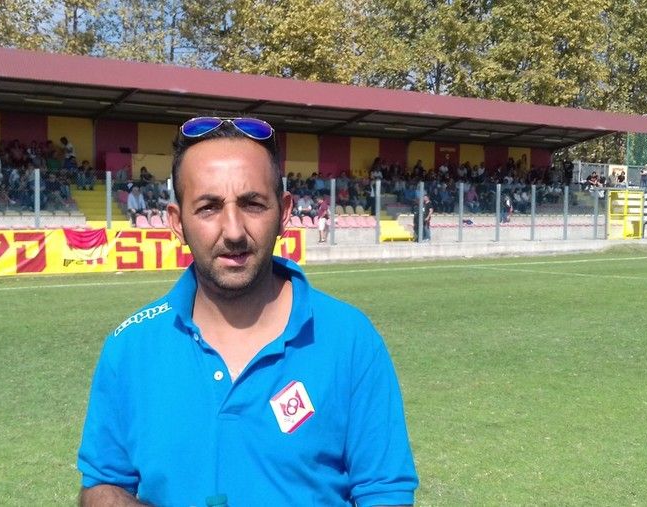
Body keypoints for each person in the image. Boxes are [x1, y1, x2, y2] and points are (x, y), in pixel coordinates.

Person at [78, 116, 418, 506]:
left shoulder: (350, 339)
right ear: (176, 222)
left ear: (284, 212)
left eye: (252, 204)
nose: (234, 231)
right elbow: (102, 485)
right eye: (208, 208)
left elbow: (385, 493)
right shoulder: (130, 346)